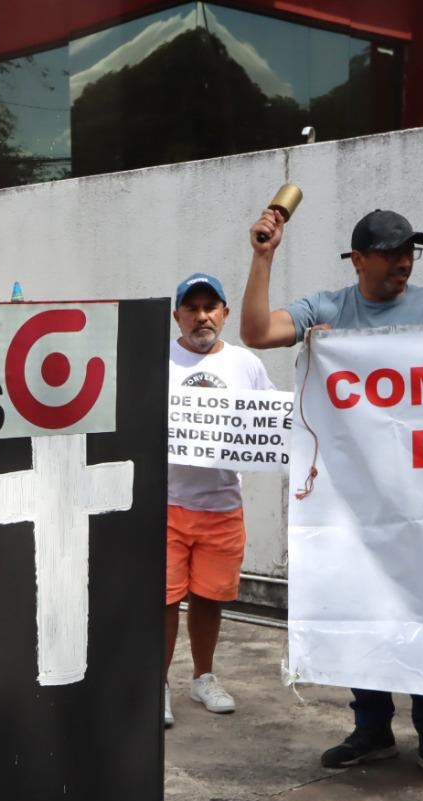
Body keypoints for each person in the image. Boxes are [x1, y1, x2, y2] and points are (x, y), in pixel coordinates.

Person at [240, 207, 423, 791]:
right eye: (393, 252)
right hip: (350, 500)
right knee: (361, 610)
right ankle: (371, 729)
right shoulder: (326, 306)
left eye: (410, 252)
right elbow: (256, 334)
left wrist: (340, 348)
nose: (404, 262)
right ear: (359, 260)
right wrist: (264, 255)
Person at [163, 272, 273, 727]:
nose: (202, 316)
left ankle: (203, 677)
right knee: (162, 600)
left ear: (225, 314)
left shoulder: (247, 364)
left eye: (211, 307)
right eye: (192, 307)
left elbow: (269, 422)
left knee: (210, 598)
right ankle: (157, 684)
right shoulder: (155, 359)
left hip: (222, 505)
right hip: (164, 503)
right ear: (177, 316)